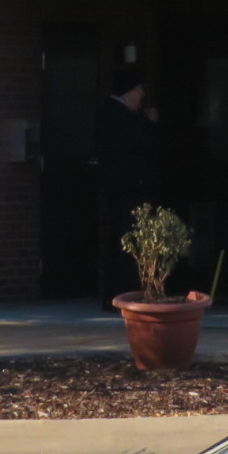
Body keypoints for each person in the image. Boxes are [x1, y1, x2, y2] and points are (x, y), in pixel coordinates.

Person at [94, 68, 160, 304]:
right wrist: (151, 123)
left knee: (121, 242)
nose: (142, 95)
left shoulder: (109, 113)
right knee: (130, 243)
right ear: (130, 92)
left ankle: (117, 295)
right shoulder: (119, 116)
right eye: (140, 90)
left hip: (120, 188)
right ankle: (126, 295)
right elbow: (144, 143)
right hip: (128, 188)